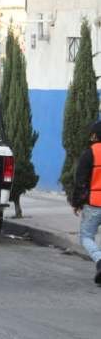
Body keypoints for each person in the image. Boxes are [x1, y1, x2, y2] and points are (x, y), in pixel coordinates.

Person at [69, 120, 101, 285]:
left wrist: (77, 203)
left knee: (86, 236)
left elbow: (80, 181)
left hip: (94, 203)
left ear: (95, 135)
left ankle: (100, 260)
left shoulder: (89, 154)